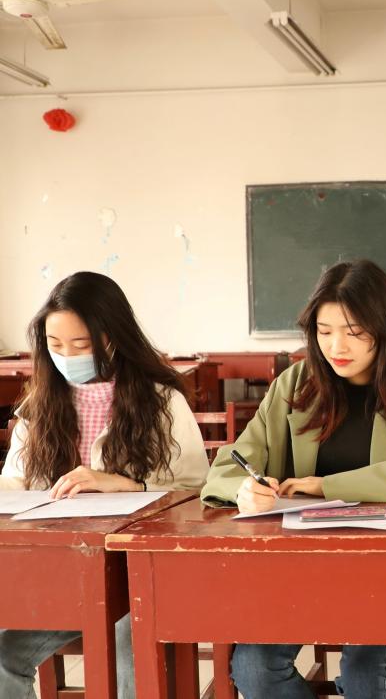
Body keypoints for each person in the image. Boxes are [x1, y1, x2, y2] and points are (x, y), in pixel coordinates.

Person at [201, 259, 386, 699]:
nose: (336, 346)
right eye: (324, 331)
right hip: (298, 566)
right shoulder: (295, 386)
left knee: (365, 675)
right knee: (254, 669)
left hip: (384, 570)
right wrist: (243, 489)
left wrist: (328, 485)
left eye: (354, 331)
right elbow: (229, 466)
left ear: (383, 329)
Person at [0, 271, 209, 699]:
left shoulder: (161, 401)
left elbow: (197, 491)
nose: (67, 356)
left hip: (140, 578)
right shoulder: (39, 405)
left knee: (131, 653)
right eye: (55, 345)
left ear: (112, 337)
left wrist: (126, 485)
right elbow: (14, 484)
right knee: (3, 655)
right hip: (66, 573)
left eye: (81, 345)